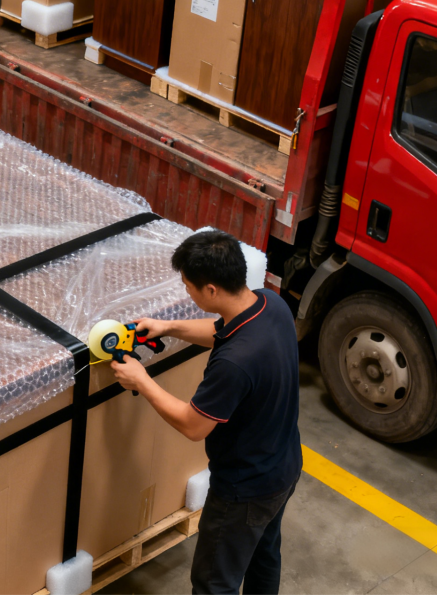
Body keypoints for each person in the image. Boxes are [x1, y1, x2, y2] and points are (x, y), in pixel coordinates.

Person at [109, 229, 301, 595]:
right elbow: (220, 331)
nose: (187, 293)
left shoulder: (234, 364)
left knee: (214, 583)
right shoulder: (270, 305)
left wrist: (141, 380)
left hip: (244, 488)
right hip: (283, 467)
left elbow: (193, 425)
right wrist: (168, 326)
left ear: (210, 289)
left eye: (188, 286)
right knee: (263, 556)